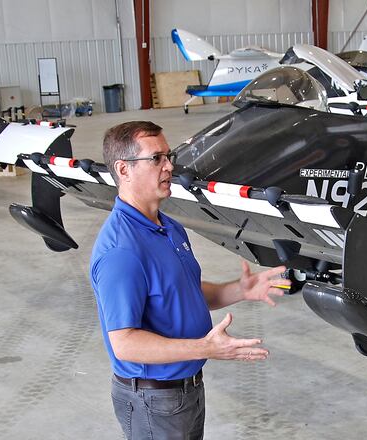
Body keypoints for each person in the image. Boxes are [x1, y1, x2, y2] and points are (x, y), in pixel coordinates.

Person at [90, 121, 287, 439]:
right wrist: (205, 348)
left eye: (168, 156)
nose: (169, 166)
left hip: (186, 390)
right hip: (153, 401)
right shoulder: (121, 251)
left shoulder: (168, 227)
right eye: (156, 159)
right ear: (124, 169)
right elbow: (124, 343)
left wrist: (240, 289)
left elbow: (181, 292)